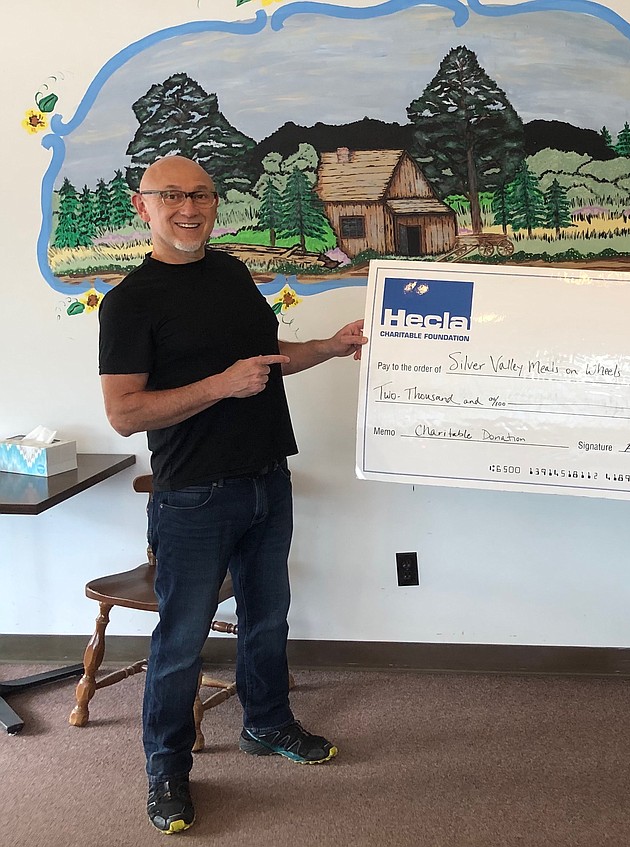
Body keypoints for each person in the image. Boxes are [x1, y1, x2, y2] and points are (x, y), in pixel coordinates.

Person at [97, 154, 367, 834]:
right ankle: (166, 767)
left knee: (268, 617)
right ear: (143, 207)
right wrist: (219, 384)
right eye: (172, 197)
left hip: (266, 480)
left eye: (202, 195)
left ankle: (268, 724)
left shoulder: (231, 273)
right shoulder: (129, 301)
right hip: (191, 496)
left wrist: (330, 346)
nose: (189, 208)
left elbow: (266, 356)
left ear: (215, 203)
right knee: (182, 639)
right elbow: (125, 413)